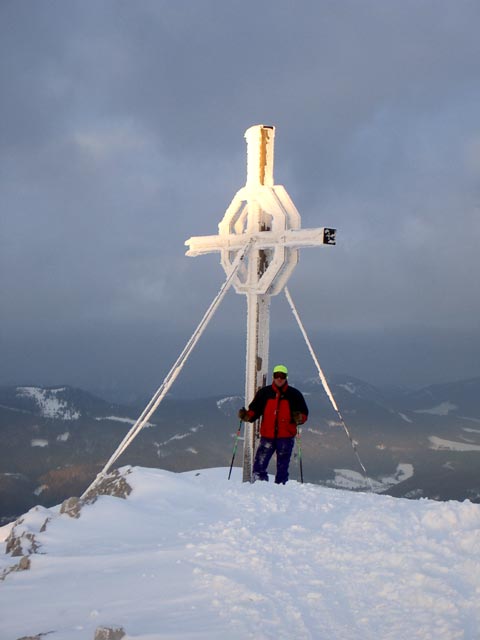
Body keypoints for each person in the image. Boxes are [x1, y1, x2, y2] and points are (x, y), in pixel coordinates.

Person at [238, 365, 308, 484]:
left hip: (286, 436)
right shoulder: (264, 393)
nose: (279, 378)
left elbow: (304, 413)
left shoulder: (294, 394)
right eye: (277, 375)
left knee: (282, 468)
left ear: (286, 377)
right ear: (273, 377)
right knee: (259, 465)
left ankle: (280, 489)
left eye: (282, 376)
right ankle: (260, 486)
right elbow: (255, 409)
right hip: (268, 436)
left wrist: (299, 418)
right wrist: (247, 416)